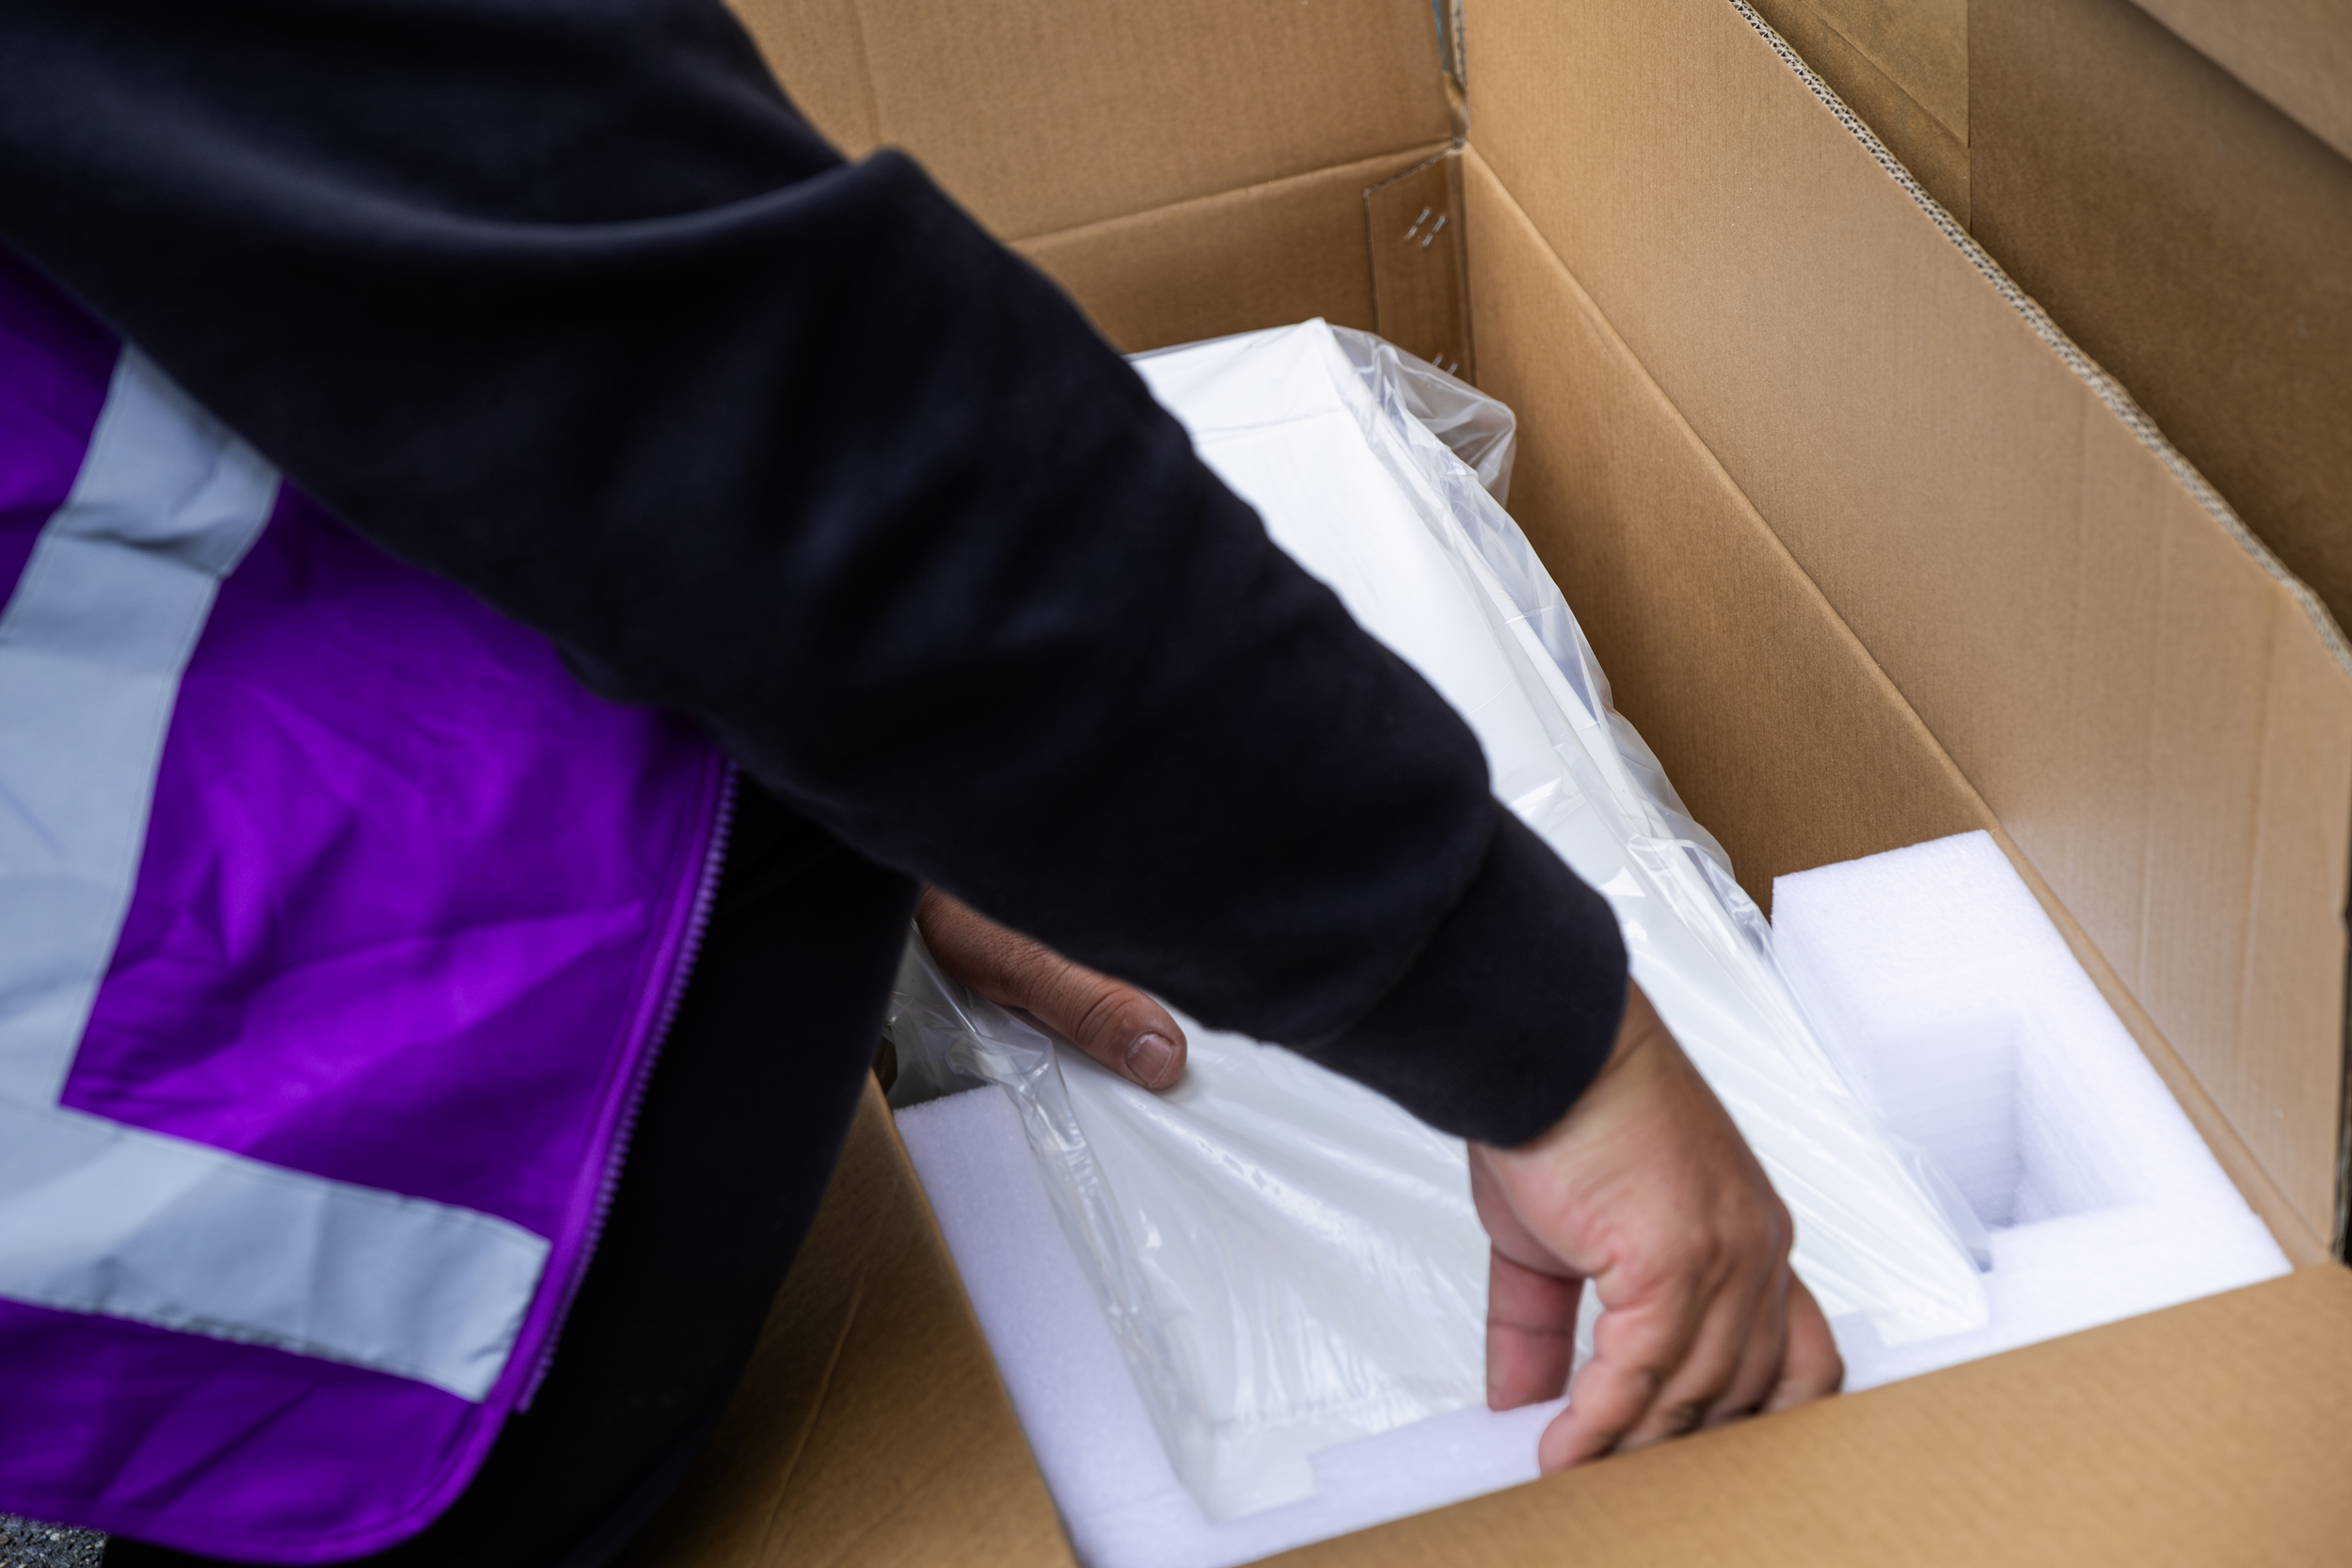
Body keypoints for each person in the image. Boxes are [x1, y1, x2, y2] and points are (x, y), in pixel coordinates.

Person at [0, 1, 1839, 1562]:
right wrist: (1551, 1041)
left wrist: (958, 774)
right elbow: (764, 420)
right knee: (714, 775)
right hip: (117, 1104)